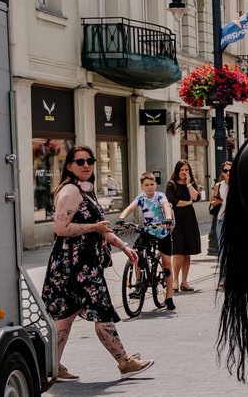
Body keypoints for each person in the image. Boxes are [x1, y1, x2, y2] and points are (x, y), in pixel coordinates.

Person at [41, 145, 154, 381]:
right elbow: (60, 228)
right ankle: (124, 362)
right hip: (75, 265)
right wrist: (93, 227)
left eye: (90, 161)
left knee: (66, 315)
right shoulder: (71, 191)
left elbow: (102, 228)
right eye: (80, 162)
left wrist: (123, 247)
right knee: (101, 311)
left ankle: (50, 366)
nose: (86, 165)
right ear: (69, 166)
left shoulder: (85, 191)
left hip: (79, 264)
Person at [117, 172, 177, 311]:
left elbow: (166, 206)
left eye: (152, 184)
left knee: (167, 264)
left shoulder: (160, 196)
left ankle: (169, 297)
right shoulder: (141, 198)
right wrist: (121, 218)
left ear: (155, 184)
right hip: (147, 231)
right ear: (142, 187)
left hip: (162, 232)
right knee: (137, 255)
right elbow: (131, 207)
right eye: (146, 185)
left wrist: (168, 218)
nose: (150, 187)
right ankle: (139, 284)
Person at [166, 159, 201, 291]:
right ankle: (175, 281)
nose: (184, 172)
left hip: (189, 220)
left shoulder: (190, 183)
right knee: (178, 251)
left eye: (186, 170)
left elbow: (196, 197)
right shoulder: (172, 184)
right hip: (176, 221)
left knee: (187, 252)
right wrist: (187, 203)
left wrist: (189, 184)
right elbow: (172, 201)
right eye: (181, 170)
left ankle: (184, 282)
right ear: (177, 171)